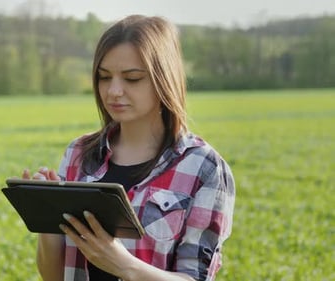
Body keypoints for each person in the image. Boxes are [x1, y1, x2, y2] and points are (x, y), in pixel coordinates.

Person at [21, 14, 235, 281]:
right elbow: (54, 277)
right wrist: (47, 217)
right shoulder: (78, 154)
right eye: (104, 77)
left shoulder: (204, 168)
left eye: (132, 78)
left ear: (164, 79)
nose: (113, 91)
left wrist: (124, 265)